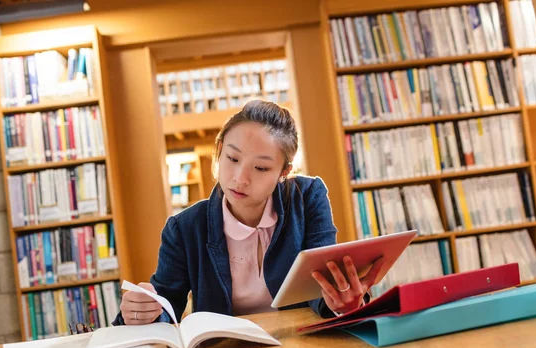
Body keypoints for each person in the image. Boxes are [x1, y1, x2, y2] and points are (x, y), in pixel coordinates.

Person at [115, 100, 385, 326]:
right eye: (232, 159)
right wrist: (141, 312)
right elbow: (166, 307)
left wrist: (341, 303)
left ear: (283, 173)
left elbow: (320, 285)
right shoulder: (184, 228)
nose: (240, 179)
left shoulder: (307, 198)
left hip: (302, 346)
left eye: (261, 169)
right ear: (220, 151)